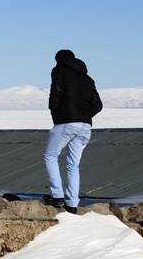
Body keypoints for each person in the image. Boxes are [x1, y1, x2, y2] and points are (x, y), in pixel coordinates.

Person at [43, 49, 103, 213]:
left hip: (66, 122)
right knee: (73, 165)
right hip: (85, 126)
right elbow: (98, 105)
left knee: (50, 155)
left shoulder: (59, 70)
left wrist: (57, 112)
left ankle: (57, 196)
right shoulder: (87, 79)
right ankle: (72, 204)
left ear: (59, 60)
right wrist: (83, 115)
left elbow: (55, 94)